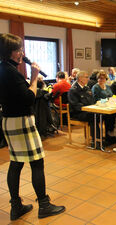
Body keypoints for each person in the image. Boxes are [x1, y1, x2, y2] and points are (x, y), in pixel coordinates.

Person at [0, 33, 65, 221]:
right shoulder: (11, 72)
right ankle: (44, 205)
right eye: (19, 49)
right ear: (11, 52)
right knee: (37, 162)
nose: (22, 52)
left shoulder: (4, 69)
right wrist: (35, 77)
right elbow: (29, 97)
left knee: (16, 162)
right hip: (21, 121)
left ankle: (16, 206)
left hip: (8, 120)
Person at [68, 71, 100, 148]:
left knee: (102, 115)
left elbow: (92, 101)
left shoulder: (87, 88)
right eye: (86, 77)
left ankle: (105, 138)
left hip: (88, 110)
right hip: (78, 113)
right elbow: (76, 106)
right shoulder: (73, 90)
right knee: (94, 116)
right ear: (80, 79)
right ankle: (95, 141)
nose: (88, 79)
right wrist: (88, 107)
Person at [91, 70, 115, 142]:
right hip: (99, 108)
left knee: (114, 115)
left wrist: (111, 99)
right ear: (97, 79)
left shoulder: (107, 87)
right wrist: (106, 100)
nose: (102, 80)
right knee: (108, 116)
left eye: (103, 78)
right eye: (100, 78)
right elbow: (95, 99)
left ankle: (110, 136)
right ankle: (104, 137)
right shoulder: (95, 87)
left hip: (108, 107)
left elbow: (111, 96)